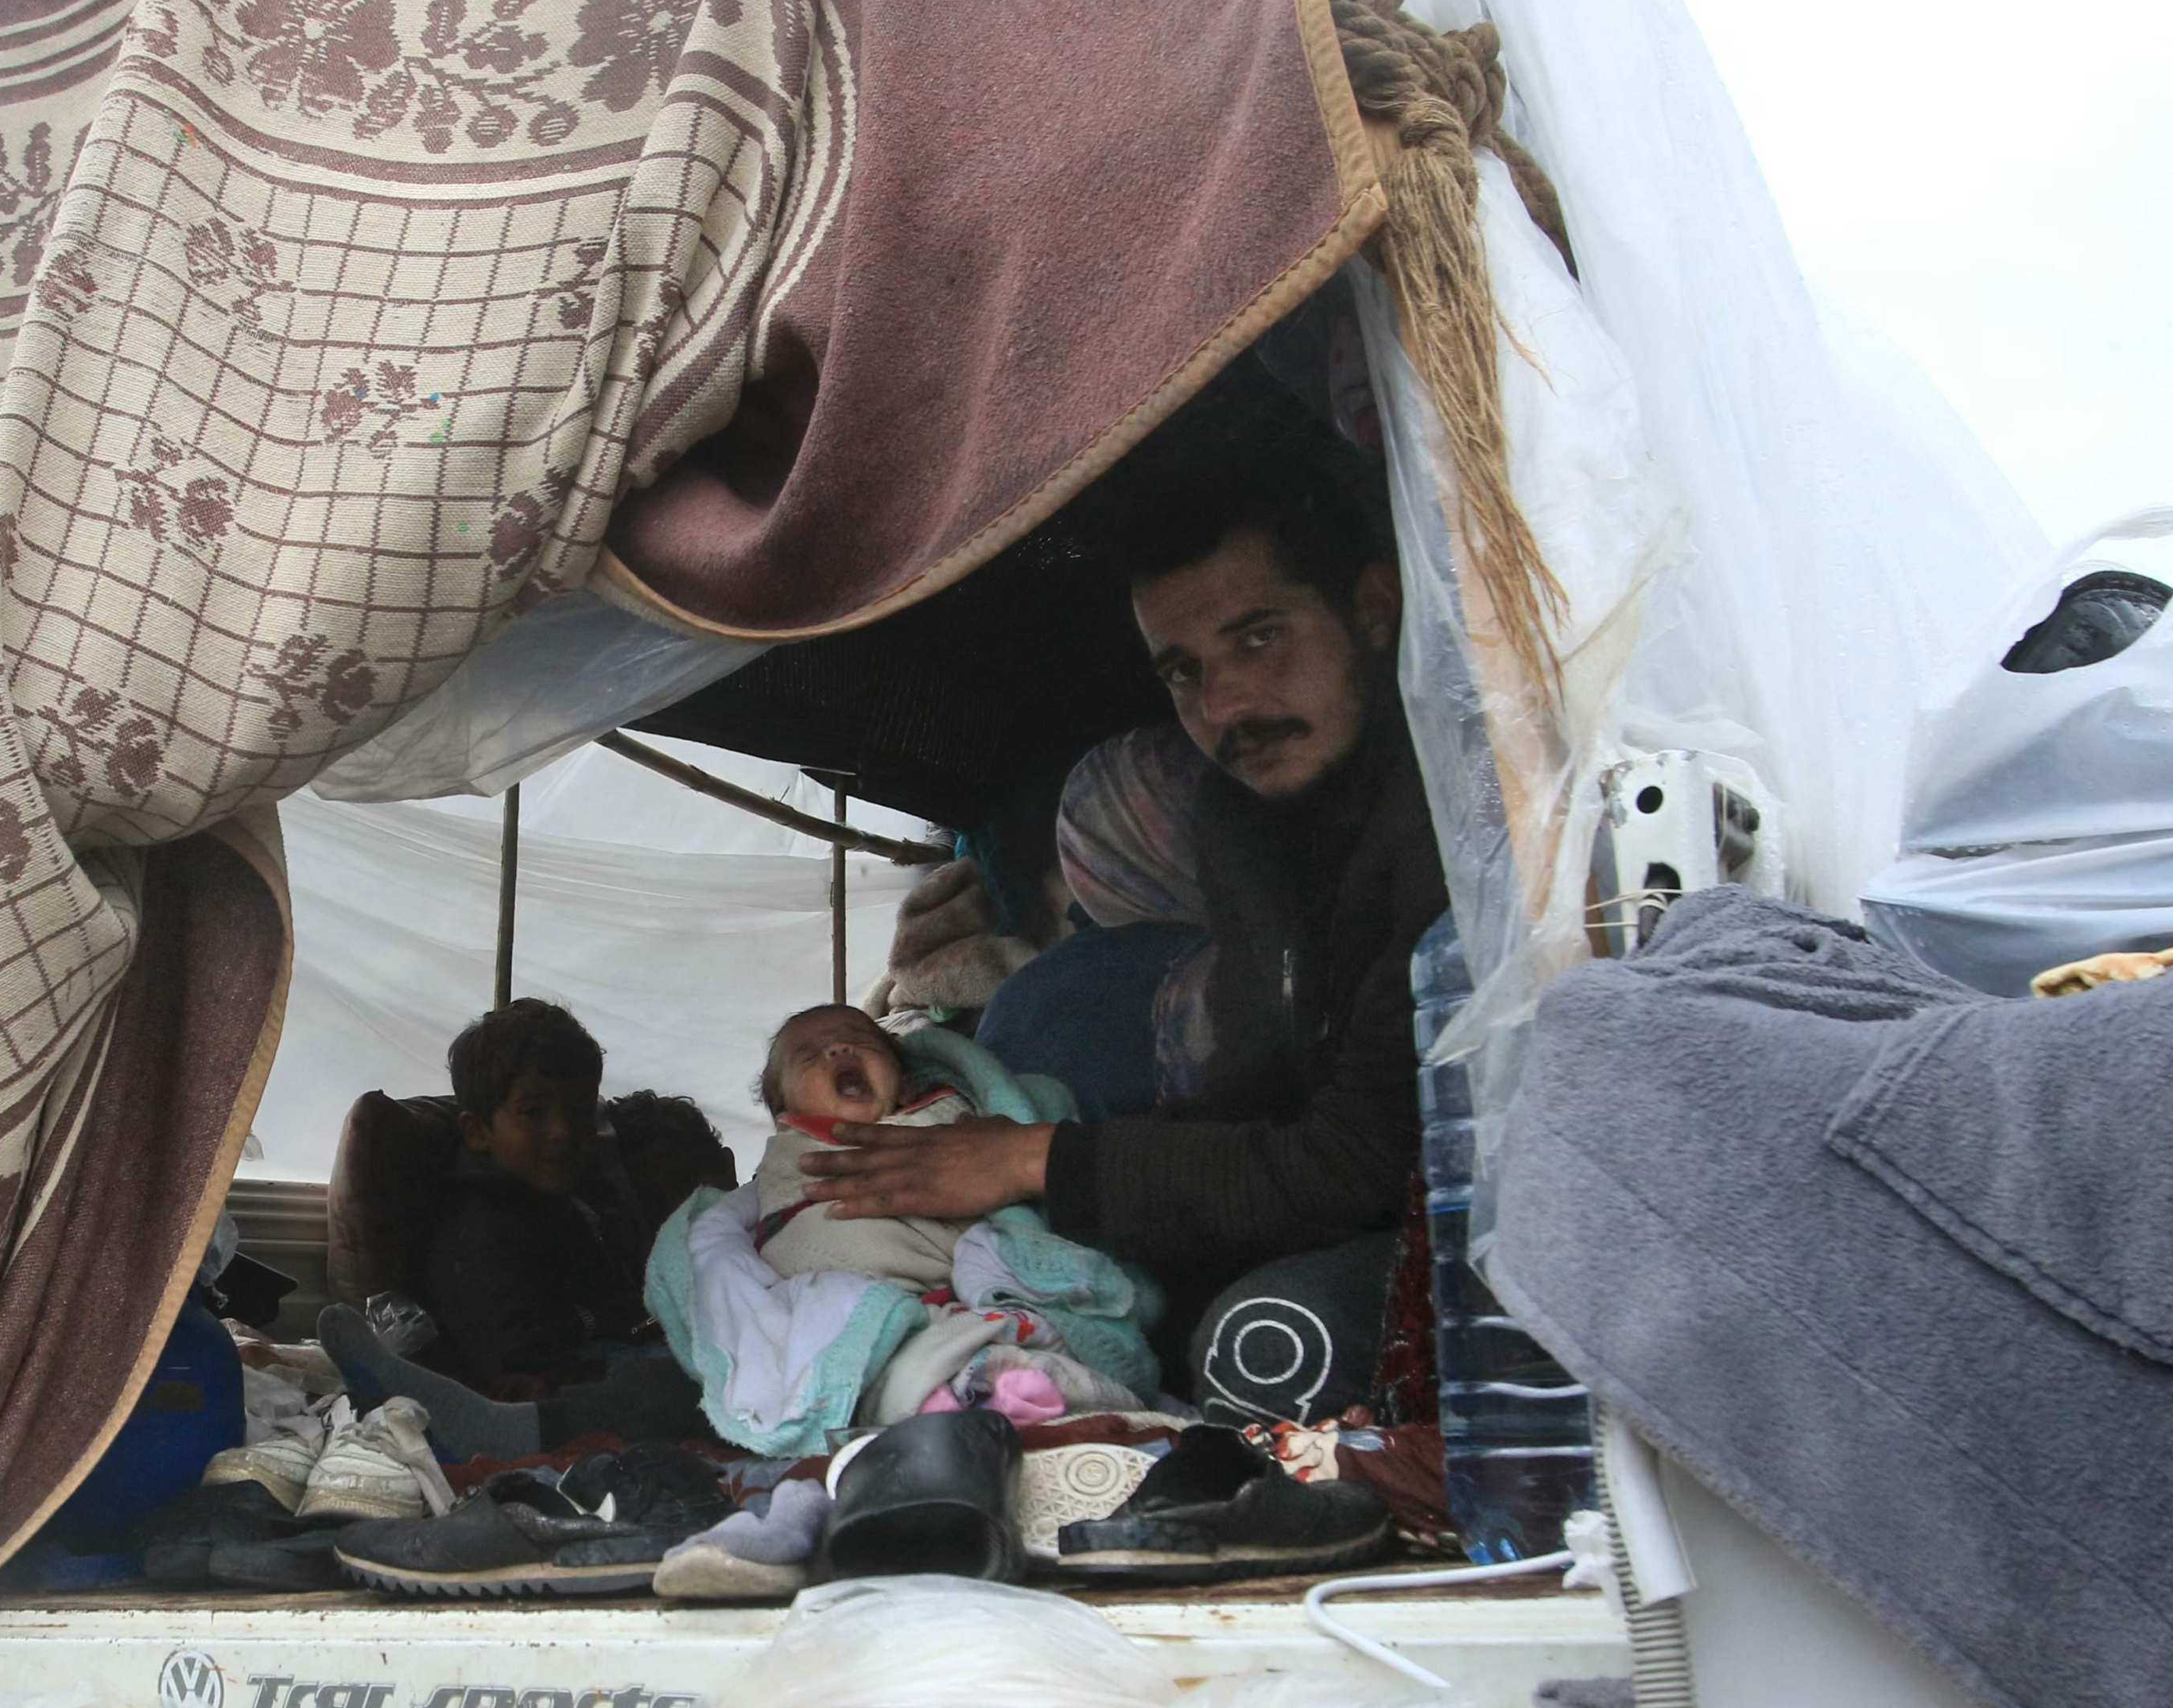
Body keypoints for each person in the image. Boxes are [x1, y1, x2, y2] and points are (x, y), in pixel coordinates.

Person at [798, 437, 1446, 1430]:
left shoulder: (1445, 819)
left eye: (1260, 637)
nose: (1225, 706)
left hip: (1448, 1238)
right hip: (1318, 1203)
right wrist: (1023, 1170)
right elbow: (1253, 1101)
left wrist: (1037, 1160)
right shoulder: (1247, 824)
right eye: (1184, 673)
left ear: (1371, 608)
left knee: (1264, 1340)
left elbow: (1356, 1165)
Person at [324, 1000, 715, 1458]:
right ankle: (501, 1430)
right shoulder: (477, 1226)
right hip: (574, 1385)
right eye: (533, 1112)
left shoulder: (581, 1200)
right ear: (477, 1132)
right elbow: (515, 1359)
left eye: (578, 1111)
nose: (562, 1132)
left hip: (619, 1358)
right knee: (684, 1386)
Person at [749, 1003, 972, 1291]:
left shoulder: (949, 1119)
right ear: (786, 1113)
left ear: (905, 1085)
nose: (838, 1048)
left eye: (860, 1040)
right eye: (808, 1056)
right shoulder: (791, 1157)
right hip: (838, 1276)